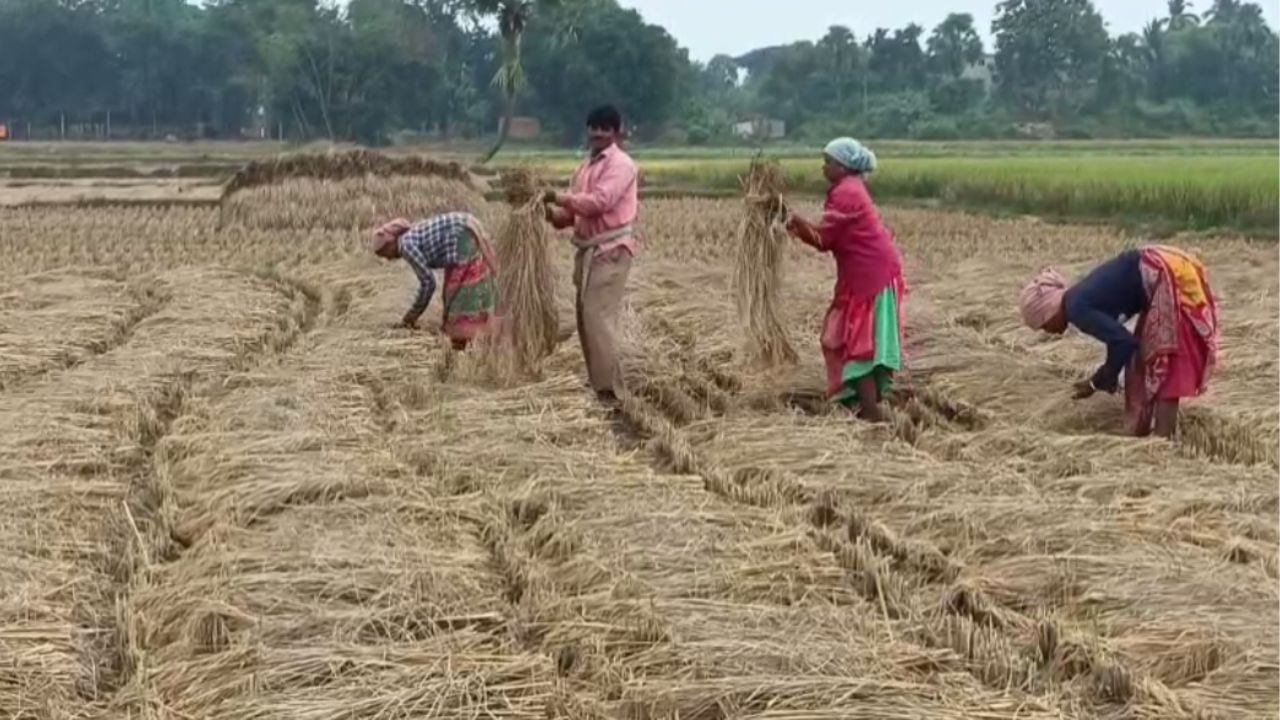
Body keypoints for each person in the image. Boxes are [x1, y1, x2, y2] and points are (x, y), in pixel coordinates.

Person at [1018, 245, 1220, 438]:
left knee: (1165, 356)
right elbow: (1118, 340)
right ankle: (1154, 431)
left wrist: (1096, 382)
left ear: (1047, 312)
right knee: (1150, 354)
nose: (1049, 332)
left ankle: (1162, 442)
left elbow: (1123, 342)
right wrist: (1110, 375)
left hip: (1164, 271)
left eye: (1043, 325)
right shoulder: (1077, 299)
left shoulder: (1076, 309)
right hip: (1166, 263)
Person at [784, 138, 906, 422]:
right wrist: (795, 223)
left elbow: (824, 239)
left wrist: (792, 220)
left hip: (869, 279)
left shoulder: (847, 193)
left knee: (858, 345)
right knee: (847, 338)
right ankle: (867, 404)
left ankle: (872, 414)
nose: (823, 167)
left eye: (828, 161)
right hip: (866, 275)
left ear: (843, 166)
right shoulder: (847, 189)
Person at [542, 105, 639, 406]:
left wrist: (559, 197)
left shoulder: (622, 165)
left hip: (610, 251)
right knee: (586, 320)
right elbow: (571, 215)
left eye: (604, 128)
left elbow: (600, 202)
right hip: (587, 251)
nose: (597, 133)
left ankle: (612, 391)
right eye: (593, 127)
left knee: (598, 318)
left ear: (615, 132)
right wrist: (546, 210)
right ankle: (599, 385)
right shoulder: (585, 168)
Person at [370, 212, 497, 351]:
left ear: (390, 244)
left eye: (384, 254)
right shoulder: (411, 236)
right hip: (466, 226)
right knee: (461, 288)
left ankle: (465, 339)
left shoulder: (406, 246)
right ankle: (475, 334)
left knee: (459, 293)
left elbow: (428, 283)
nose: (387, 259)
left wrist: (411, 317)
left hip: (462, 235)